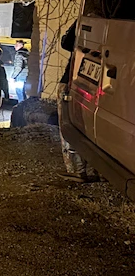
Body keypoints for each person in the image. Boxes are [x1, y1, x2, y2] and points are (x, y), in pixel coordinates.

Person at [56, 24, 98, 183]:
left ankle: (77, 170)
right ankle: (94, 170)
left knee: (69, 125)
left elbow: (66, 42)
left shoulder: (86, 24)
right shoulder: (111, 30)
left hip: (72, 82)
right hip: (94, 86)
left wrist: (78, 22)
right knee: (89, 127)